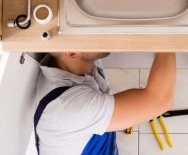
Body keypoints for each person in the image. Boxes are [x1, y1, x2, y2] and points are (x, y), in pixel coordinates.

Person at [34, 52, 176, 155]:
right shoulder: (70, 106)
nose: (99, 34)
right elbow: (159, 100)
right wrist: (167, 40)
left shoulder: (81, 61)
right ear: (71, 53)